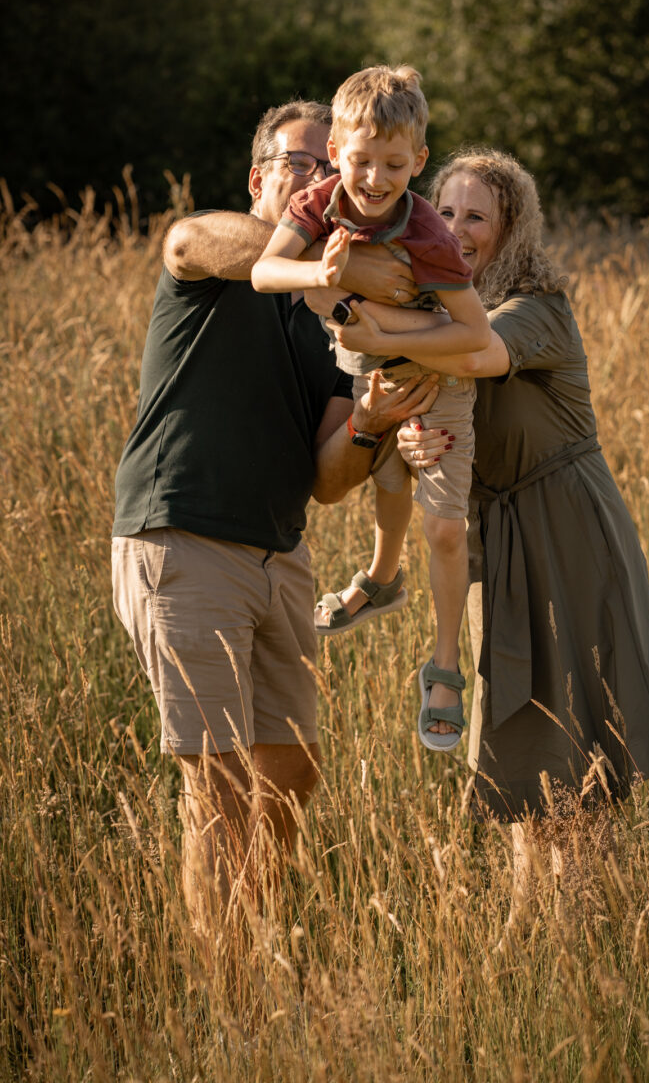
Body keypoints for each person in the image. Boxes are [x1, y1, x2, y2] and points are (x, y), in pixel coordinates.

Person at [111, 99, 438, 933]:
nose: (321, 181)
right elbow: (184, 240)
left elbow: (331, 480)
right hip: (184, 540)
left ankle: (251, 942)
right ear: (260, 180)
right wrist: (352, 269)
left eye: (330, 166)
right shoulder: (218, 262)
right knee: (216, 789)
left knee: (290, 772)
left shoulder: (332, 325)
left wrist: (372, 418)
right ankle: (233, 1008)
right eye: (300, 164)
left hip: (279, 560)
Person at [322, 146, 649, 826]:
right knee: (512, 746)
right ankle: (526, 921)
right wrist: (413, 439)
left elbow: (477, 352)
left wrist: (358, 322)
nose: (454, 229)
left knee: (576, 748)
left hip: (566, 530)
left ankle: (574, 919)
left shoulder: (537, 308)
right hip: (495, 541)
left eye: (476, 216)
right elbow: (437, 413)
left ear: (513, 229)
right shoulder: (438, 311)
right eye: (443, 211)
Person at [251, 65, 490, 753]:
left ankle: (444, 666)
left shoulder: (427, 233)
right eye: (361, 161)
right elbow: (268, 270)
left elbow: (475, 333)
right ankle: (382, 579)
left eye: (394, 164)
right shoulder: (319, 202)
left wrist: (384, 332)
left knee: (444, 529)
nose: (377, 180)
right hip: (366, 371)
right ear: (336, 154)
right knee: (387, 481)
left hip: (440, 375)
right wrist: (323, 276)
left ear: (419, 160)